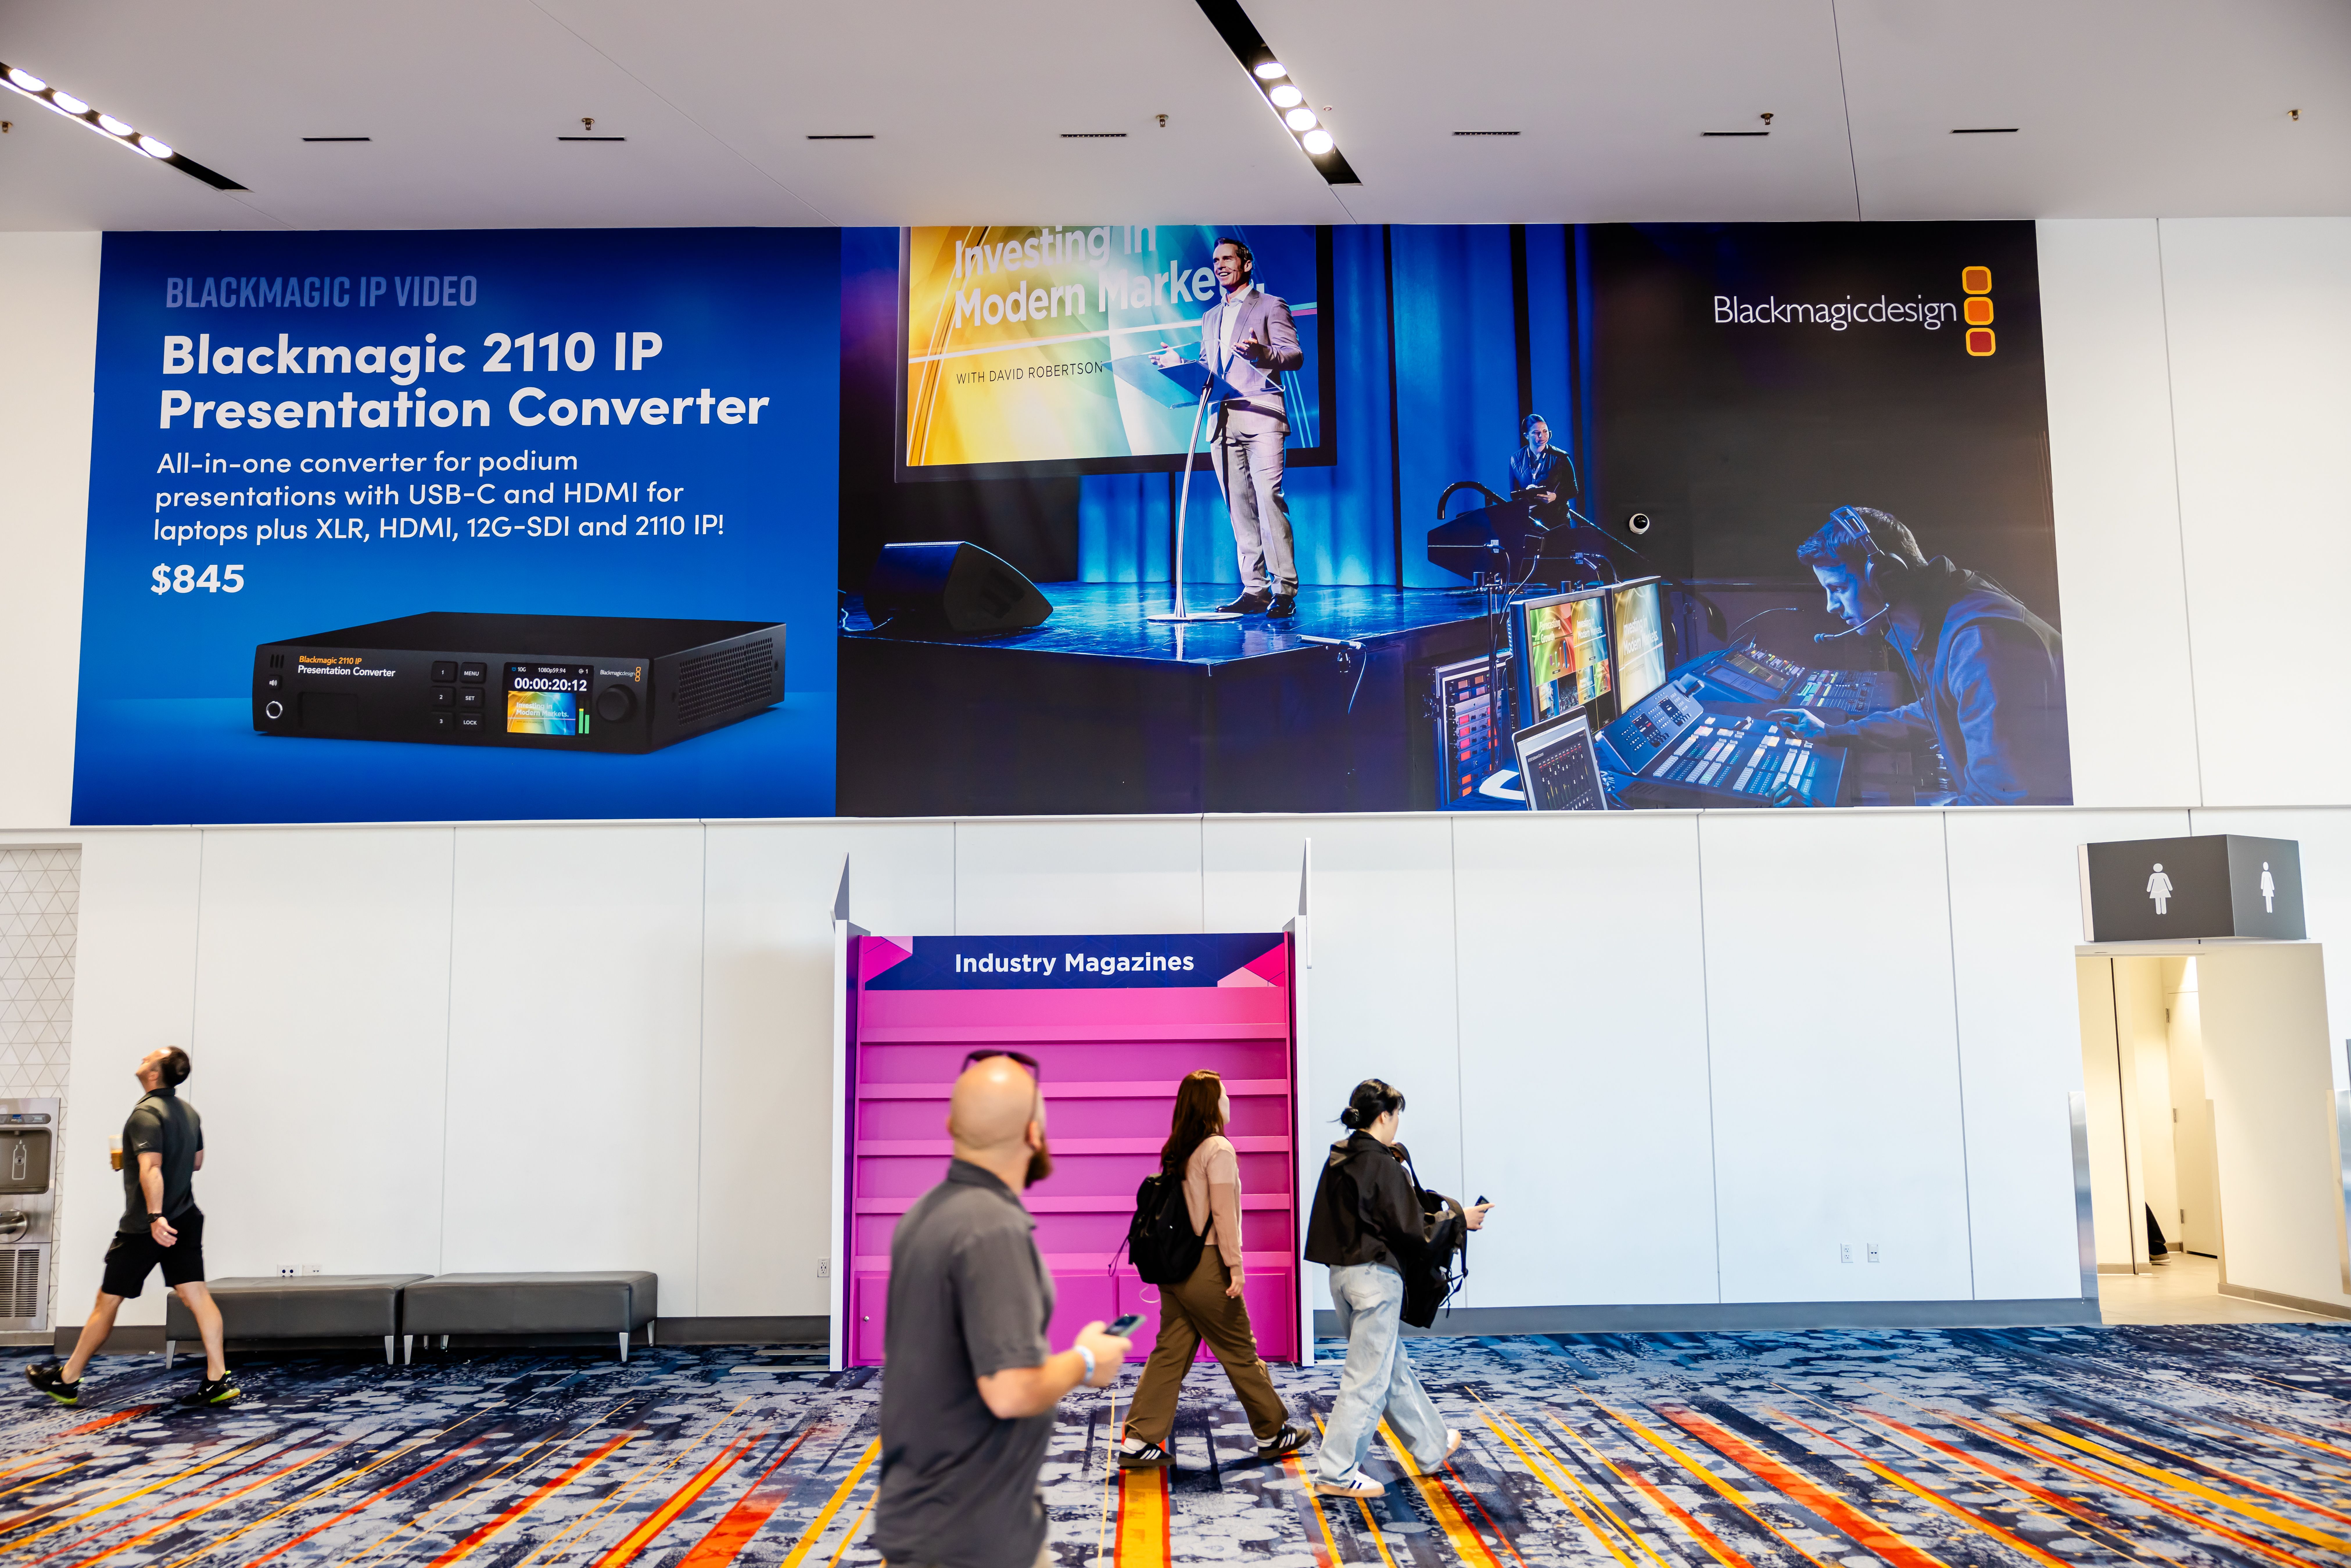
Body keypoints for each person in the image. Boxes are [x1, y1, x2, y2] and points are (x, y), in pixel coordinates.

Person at [873, 1051, 1132, 1568]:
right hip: (971, 1536)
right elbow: (1010, 1389)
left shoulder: (923, 1214)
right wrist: (1086, 1360)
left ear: (951, 1125)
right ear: (1033, 1133)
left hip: (938, 1516)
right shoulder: (992, 1227)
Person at [1767, 505, 2071, 805]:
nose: (1831, 606)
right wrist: (1834, 732)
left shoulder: (1980, 643)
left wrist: (1837, 825)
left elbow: (1997, 806)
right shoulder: (1943, 619)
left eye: (1838, 588)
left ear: (1886, 579)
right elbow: (1935, 710)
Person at [1303, 1079, 1489, 1499]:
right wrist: (1462, 1220)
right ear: (1384, 1115)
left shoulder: (1340, 1157)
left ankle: (1430, 1445)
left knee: (1390, 1367)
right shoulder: (1382, 1164)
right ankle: (1336, 1470)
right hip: (1374, 1279)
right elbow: (1410, 1229)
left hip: (1343, 1277)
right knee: (1367, 1377)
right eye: (1397, 1114)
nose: (1397, 1124)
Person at [25, 1048, 238, 1408]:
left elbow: (152, 1168)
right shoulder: (188, 1113)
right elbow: (196, 1161)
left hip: (147, 1225)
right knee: (197, 1297)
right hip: (186, 1216)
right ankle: (218, 1379)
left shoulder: (145, 1113)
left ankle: (67, 1379)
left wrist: (156, 1217)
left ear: (155, 1075)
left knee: (107, 1301)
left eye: (150, 1058)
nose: (143, 1058)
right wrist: (135, 1161)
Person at [1118, 1070, 1311, 1469]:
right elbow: (1224, 1215)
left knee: (1170, 1351)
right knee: (1240, 1349)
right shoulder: (1218, 1148)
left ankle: (1138, 1439)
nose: (1229, 1101)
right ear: (1211, 1104)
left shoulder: (1180, 1148)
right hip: (1206, 1265)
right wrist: (1235, 1267)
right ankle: (1273, 1431)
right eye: (1224, 1095)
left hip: (1175, 1269)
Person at [1153, 238, 1305, 620]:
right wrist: (1178, 362)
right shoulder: (1210, 318)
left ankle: (1284, 588)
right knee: (1240, 509)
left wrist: (1262, 354)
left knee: (1269, 499)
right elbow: (1210, 369)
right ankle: (1255, 589)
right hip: (1221, 421)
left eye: (1228, 259)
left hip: (1262, 416)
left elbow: (1294, 355)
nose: (1220, 266)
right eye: (1216, 260)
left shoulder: (1272, 306)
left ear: (1247, 264)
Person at [1507, 414, 1576, 526]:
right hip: (1531, 520)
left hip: (1558, 518)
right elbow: (1514, 494)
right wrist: (1527, 493)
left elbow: (1573, 489)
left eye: (1545, 431)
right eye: (1536, 433)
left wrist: (1555, 496)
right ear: (1527, 436)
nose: (1542, 436)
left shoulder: (1561, 457)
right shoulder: (1515, 459)